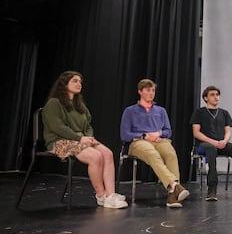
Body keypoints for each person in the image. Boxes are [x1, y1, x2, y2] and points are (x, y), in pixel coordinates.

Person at [42, 71, 128, 209]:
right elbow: (57, 127)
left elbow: (87, 126)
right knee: (95, 156)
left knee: (107, 153)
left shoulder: (80, 105)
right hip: (58, 142)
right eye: (75, 81)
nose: (79, 84)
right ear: (64, 84)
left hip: (80, 139)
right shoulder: (54, 103)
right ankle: (101, 195)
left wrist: (89, 138)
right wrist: (80, 138)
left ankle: (110, 195)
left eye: (80, 81)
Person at [120, 79, 190, 208]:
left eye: (153, 90)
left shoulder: (161, 111)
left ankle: (172, 195)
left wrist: (158, 134)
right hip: (139, 142)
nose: (151, 93)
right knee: (152, 154)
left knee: (170, 153)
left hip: (159, 140)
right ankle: (175, 185)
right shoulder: (130, 111)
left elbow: (168, 132)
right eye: (148, 90)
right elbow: (124, 134)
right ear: (140, 92)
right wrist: (144, 136)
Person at [190, 86, 232, 201]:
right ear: (206, 98)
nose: (216, 97)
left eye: (217, 95)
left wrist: (224, 141)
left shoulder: (224, 113)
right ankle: (212, 189)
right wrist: (212, 142)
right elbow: (196, 133)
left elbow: (228, 131)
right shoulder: (199, 112)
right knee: (211, 149)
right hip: (203, 145)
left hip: (220, 144)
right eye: (212, 95)